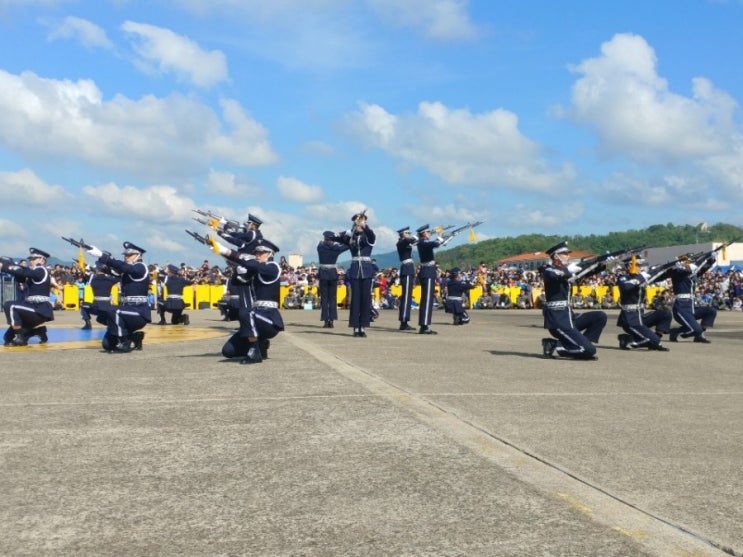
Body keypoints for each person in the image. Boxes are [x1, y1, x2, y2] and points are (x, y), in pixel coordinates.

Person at [209, 237, 284, 364]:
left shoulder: (273, 267)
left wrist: (225, 250)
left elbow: (249, 263)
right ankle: (260, 344)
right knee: (228, 351)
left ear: (270, 254)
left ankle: (255, 352)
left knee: (245, 313)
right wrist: (223, 255)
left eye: (261, 253)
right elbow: (238, 280)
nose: (257, 255)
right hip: (256, 316)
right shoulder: (257, 269)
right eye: (257, 253)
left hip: (269, 319)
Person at [539, 241, 607, 360]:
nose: (568, 256)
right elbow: (553, 275)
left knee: (600, 316)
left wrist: (599, 265)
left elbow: (584, 273)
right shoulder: (547, 269)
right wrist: (567, 270)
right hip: (558, 320)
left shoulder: (566, 272)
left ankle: (581, 345)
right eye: (565, 253)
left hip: (570, 317)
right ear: (556, 256)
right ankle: (554, 344)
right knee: (590, 350)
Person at [86, 241, 151, 353]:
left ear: (138, 255)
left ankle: (125, 342)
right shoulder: (128, 269)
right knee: (107, 345)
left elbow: (124, 267)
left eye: (129, 255)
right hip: (126, 311)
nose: (126, 257)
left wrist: (102, 255)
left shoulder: (141, 267)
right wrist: (101, 260)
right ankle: (134, 337)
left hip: (138, 312)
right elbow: (114, 269)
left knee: (111, 310)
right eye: (125, 255)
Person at [615, 258, 671, 351]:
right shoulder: (623, 278)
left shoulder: (642, 277)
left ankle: (652, 339)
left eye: (640, 265)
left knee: (665, 313)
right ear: (629, 266)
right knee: (655, 341)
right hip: (630, 318)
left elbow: (660, 277)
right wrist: (641, 277)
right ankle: (627, 339)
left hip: (640, 317)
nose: (640, 267)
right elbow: (626, 287)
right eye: (637, 265)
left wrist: (668, 269)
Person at [1, 248, 54, 346]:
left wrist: (4, 267)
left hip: (39, 309)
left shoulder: (41, 270)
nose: (31, 261)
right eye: (31, 259)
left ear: (42, 260)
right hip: (32, 309)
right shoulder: (35, 272)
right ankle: (39, 331)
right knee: (7, 338)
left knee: (10, 305)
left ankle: (20, 338)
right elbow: (22, 274)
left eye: (33, 259)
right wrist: (11, 266)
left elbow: (24, 272)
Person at [337, 212, 376, 337]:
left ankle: (363, 327)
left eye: (362, 222)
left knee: (365, 299)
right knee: (355, 299)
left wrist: (365, 227)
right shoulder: (352, 238)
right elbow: (339, 237)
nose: (359, 224)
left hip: (366, 270)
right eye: (357, 222)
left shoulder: (368, 236)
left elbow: (372, 235)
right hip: (355, 270)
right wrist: (347, 232)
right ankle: (355, 327)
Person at [664, 254, 717, 343]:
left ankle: (698, 335)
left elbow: (703, 269)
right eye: (688, 262)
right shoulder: (677, 272)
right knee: (697, 329)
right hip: (681, 307)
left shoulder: (690, 272)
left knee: (710, 311)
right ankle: (676, 332)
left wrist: (711, 259)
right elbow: (687, 271)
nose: (690, 264)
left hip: (691, 306)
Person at [415, 224, 448, 334]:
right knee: (427, 300)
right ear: (423, 233)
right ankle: (424, 326)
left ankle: (425, 325)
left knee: (427, 299)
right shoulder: (422, 242)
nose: (430, 233)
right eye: (428, 232)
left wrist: (443, 239)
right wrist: (440, 238)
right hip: (427, 272)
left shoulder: (423, 242)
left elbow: (436, 244)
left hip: (428, 271)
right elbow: (435, 244)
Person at [316, 231, 350, 328]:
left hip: (323, 273)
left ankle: (326, 320)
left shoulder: (320, 247)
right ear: (333, 239)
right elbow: (347, 245)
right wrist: (343, 236)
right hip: (332, 274)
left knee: (324, 298)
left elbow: (321, 243)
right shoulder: (336, 248)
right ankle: (331, 320)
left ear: (325, 238)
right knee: (332, 298)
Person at [80, 263, 120, 330]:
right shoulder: (110, 279)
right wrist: (111, 271)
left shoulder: (92, 279)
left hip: (95, 306)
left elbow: (84, 279)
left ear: (97, 270)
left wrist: (87, 269)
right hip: (107, 307)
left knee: (83, 305)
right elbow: (118, 278)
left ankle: (88, 324)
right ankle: (111, 324)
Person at [396, 226, 417, 331]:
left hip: (409, 269)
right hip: (407, 269)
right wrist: (414, 237)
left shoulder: (406, 242)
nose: (409, 234)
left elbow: (413, 241)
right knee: (406, 296)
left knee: (408, 296)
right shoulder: (400, 242)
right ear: (402, 234)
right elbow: (409, 240)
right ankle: (403, 322)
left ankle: (405, 321)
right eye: (407, 233)